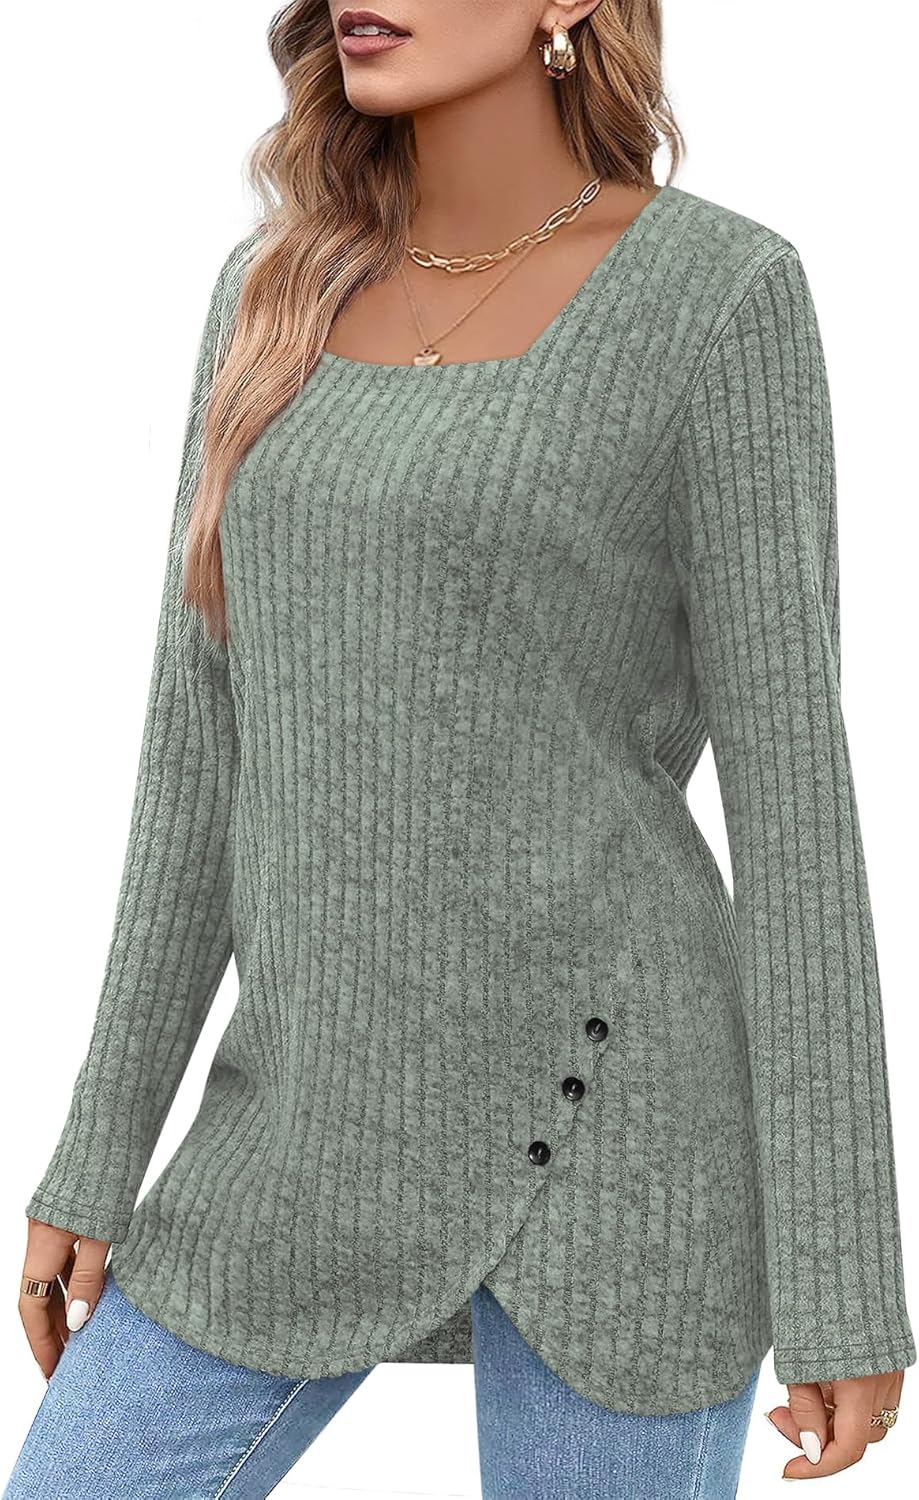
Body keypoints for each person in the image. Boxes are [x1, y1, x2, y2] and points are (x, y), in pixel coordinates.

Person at [5, 3, 915, 1497]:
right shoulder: (270, 290)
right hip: (299, 1126)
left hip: (613, 1129)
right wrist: (100, 1146)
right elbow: (198, 762)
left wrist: (844, 1276)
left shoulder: (718, 297)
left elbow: (798, 808)